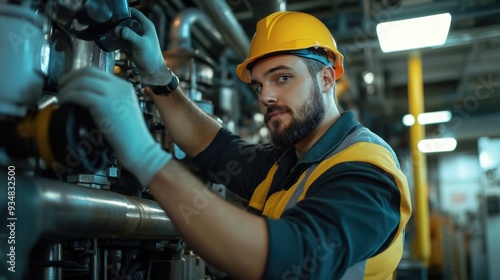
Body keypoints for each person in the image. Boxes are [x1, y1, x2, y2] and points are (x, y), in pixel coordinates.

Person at [59, 9, 412, 280]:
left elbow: (288, 259)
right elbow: (215, 148)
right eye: (258, 86)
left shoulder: (367, 171)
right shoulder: (288, 162)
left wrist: (145, 156)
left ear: (325, 78)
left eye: (282, 78)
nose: (266, 96)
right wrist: (158, 76)